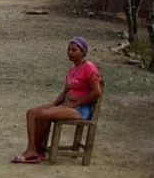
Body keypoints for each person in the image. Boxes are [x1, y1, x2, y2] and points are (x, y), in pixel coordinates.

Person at [12, 36, 101, 164]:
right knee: (32, 113)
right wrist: (53, 104)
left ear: (83, 52)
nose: (70, 52)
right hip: (67, 105)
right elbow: (65, 92)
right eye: (69, 49)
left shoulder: (89, 68)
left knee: (43, 115)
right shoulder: (72, 69)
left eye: (74, 50)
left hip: (79, 109)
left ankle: (37, 150)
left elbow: (97, 91)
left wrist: (76, 104)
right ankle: (32, 149)